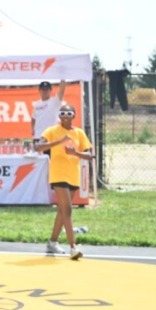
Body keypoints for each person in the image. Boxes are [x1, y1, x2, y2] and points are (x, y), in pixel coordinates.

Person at [35, 103, 92, 260]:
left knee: (62, 211)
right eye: (63, 113)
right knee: (67, 210)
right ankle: (73, 247)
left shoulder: (79, 133)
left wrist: (75, 152)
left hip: (73, 175)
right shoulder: (52, 131)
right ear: (59, 116)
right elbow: (38, 147)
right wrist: (58, 142)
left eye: (69, 113)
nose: (66, 116)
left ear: (74, 116)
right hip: (58, 175)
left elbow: (89, 156)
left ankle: (52, 242)